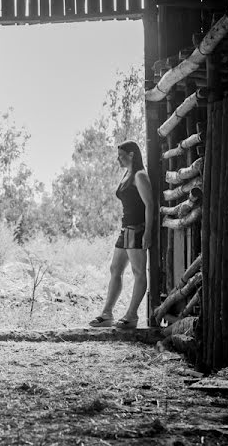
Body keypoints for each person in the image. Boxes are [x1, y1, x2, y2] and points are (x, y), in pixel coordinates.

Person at [89, 140, 153, 329]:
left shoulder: (140, 175)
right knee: (115, 269)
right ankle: (107, 314)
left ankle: (131, 316)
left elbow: (150, 205)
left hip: (137, 229)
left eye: (121, 155)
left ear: (132, 154)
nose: (118, 159)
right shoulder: (128, 174)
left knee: (138, 272)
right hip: (125, 229)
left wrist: (148, 233)